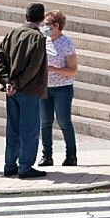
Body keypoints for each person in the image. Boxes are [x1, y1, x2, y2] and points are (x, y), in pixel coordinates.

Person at [0, 3, 48, 179]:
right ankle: (25, 166)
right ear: (41, 18)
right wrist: (17, 83)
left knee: (13, 129)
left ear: (26, 16)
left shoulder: (12, 34)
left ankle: (10, 165)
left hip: (12, 90)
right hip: (29, 90)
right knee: (30, 130)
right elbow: (33, 67)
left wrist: (7, 81)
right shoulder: (37, 38)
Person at [40, 11, 78, 167]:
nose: (45, 27)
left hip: (62, 88)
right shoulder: (44, 41)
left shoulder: (66, 43)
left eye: (48, 24)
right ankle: (46, 155)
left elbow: (73, 69)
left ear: (57, 26)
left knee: (64, 121)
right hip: (45, 87)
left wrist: (54, 69)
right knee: (45, 122)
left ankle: (71, 155)